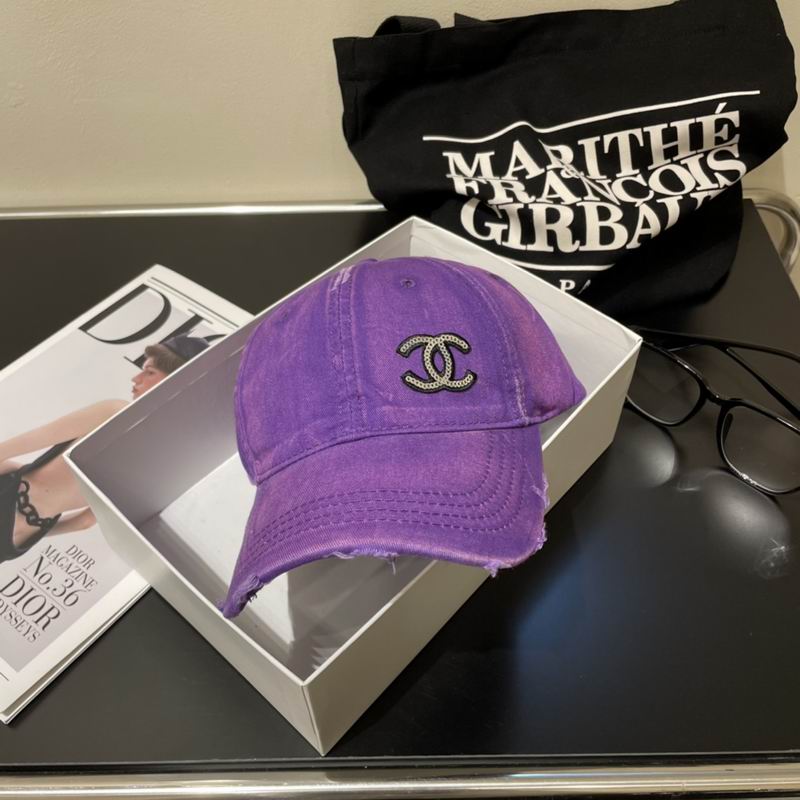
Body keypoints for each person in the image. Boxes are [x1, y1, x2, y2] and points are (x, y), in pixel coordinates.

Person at [0, 335, 211, 562]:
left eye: (149, 372)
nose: (135, 378)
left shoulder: (114, 412)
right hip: (21, 540)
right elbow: (85, 522)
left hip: (11, 498)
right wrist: (35, 529)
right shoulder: (164, 465)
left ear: (176, 381)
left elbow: (13, 447)